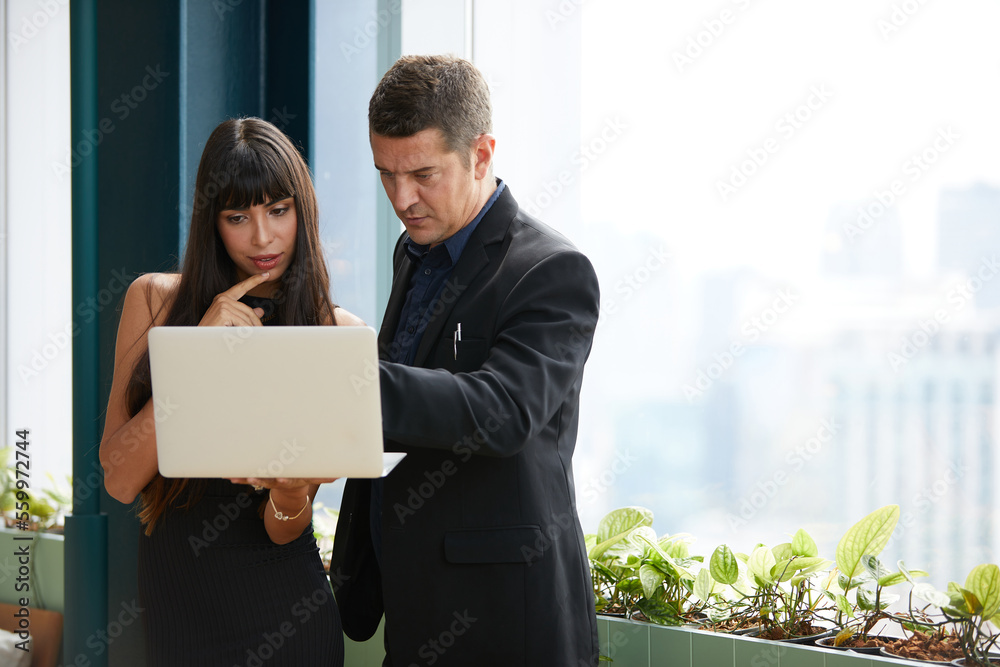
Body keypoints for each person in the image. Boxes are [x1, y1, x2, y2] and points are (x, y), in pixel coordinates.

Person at [332, 55, 601, 666]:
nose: (402, 198)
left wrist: (338, 381)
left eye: (423, 173)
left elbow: (503, 411)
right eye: (386, 175)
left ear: (481, 154)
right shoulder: (414, 252)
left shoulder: (553, 270)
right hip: (411, 600)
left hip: (504, 614)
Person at [99, 117, 359, 665]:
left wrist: (290, 491)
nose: (262, 238)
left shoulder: (335, 334)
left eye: (278, 211)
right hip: (179, 614)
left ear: (301, 212)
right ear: (211, 223)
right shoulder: (155, 302)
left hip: (287, 615)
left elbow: (284, 531)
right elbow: (121, 480)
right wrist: (196, 354)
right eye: (237, 217)